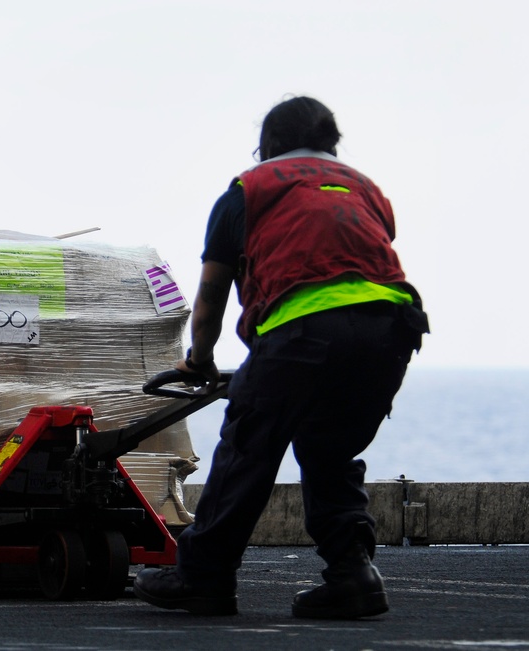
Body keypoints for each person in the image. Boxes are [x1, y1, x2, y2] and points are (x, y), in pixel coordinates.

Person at [133, 96, 429, 620]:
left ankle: (203, 578)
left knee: (249, 444)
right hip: (392, 329)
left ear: (266, 146)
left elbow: (210, 303)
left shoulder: (249, 190)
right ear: (329, 144)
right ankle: (353, 575)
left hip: (304, 330)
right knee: (329, 447)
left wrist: (197, 361)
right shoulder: (366, 189)